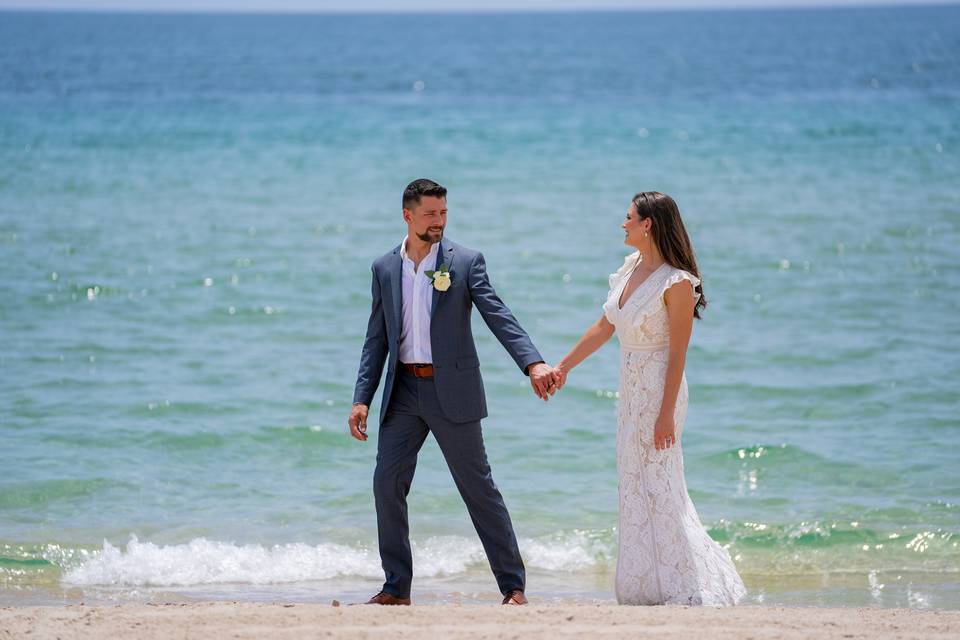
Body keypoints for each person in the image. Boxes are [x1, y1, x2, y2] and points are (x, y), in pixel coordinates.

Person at [348, 178, 561, 606]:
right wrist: (361, 398)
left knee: (478, 488)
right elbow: (377, 339)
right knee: (386, 482)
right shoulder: (384, 267)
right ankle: (396, 588)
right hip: (403, 392)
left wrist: (532, 363)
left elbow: (496, 312)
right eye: (430, 214)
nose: (439, 222)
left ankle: (512, 587)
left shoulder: (465, 262)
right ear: (408, 215)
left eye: (443, 213)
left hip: (454, 392)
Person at [553, 191, 747, 606]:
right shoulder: (630, 269)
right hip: (630, 393)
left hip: (662, 392)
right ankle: (645, 585)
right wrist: (563, 367)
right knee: (634, 483)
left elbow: (678, 353)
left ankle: (686, 583)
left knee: (661, 484)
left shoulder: (677, 282)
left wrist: (665, 416)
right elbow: (604, 328)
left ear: (648, 224)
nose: (622, 224)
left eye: (628, 218)